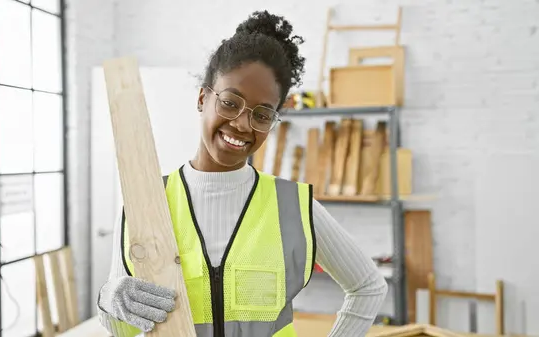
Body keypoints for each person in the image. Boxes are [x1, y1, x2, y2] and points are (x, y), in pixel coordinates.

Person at [97, 10, 388, 337]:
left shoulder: (293, 207)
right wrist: (109, 297)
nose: (242, 124)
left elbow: (369, 287)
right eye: (230, 102)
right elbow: (120, 329)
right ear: (203, 98)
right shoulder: (146, 203)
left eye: (262, 115)